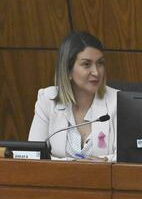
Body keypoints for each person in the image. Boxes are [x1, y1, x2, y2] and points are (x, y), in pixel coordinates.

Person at [28, 31, 118, 160]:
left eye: (100, 63)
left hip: (105, 179)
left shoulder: (118, 102)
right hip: (55, 179)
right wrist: (76, 165)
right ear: (68, 69)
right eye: (86, 64)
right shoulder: (48, 100)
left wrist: (106, 161)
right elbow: (33, 156)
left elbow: (129, 157)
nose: (96, 72)